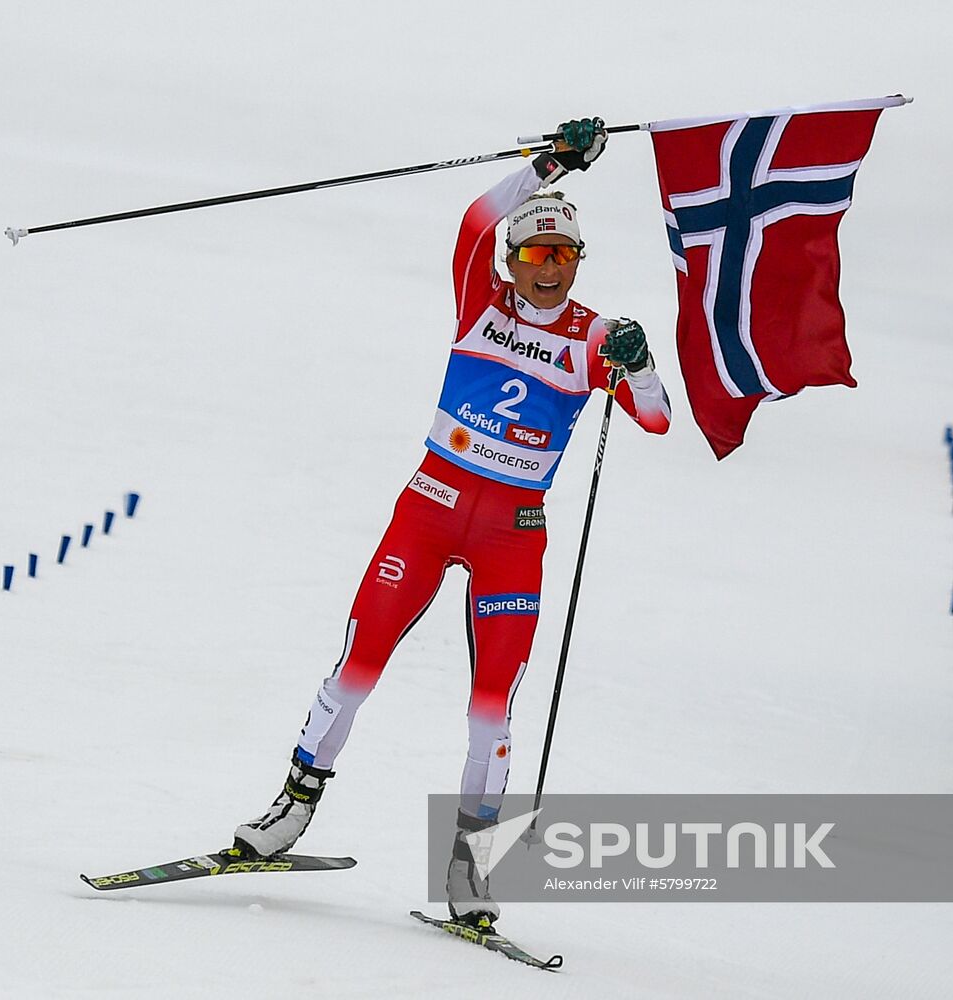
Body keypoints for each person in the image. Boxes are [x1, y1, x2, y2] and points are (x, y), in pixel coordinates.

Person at [233, 118, 671, 927]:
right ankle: (291, 809)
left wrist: (639, 361)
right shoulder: (480, 301)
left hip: (512, 532)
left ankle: (472, 873)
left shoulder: (593, 337)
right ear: (513, 261)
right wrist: (543, 169)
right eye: (536, 254)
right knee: (358, 665)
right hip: (429, 511)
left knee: (490, 706)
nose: (549, 271)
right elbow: (475, 220)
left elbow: (655, 418)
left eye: (564, 257)